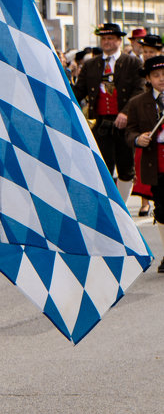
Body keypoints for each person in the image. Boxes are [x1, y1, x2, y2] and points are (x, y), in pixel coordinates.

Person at [73, 23, 143, 203]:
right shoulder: (91, 65)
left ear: (119, 41)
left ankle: (123, 207)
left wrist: (126, 112)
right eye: (104, 38)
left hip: (125, 123)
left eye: (110, 38)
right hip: (101, 122)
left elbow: (140, 89)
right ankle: (108, 206)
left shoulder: (133, 63)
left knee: (126, 167)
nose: (106, 42)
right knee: (102, 166)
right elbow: (78, 91)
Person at [126, 54, 164, 273]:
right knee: (162, 210)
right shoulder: (138, 103)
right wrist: (137, 138)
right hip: (155, 165)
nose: (161, 79)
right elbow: (129, 132)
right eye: (156, 75)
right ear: (148, 78)